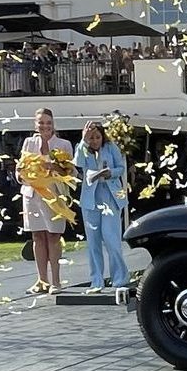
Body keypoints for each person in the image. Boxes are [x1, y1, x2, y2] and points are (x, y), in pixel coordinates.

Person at [17, 108, 75, 294]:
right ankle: (42, 280)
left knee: (53, 236)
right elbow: (21, 168)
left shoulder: (64, 144)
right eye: (41, 122)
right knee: (37, 236)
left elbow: (71, 172)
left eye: (48, 122)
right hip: (32, 195)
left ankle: (56, 281)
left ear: (53, 124)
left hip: (54, 196)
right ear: (35, 124)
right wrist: (21, 174)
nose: (45, 126)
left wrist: (55, 167)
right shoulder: (28, 143)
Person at [73, 121, 128, 293]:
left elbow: (121, 168)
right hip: (90, 199)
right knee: (93, 241)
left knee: (111, 238)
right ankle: (96, 280)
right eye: (91, 138)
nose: (95, 141)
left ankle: (119, 278)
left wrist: (111, 173)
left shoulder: (111, 147)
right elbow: (77, 162)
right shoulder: (82, 148)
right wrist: (84, 140)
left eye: (97, 137)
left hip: (110, 196)